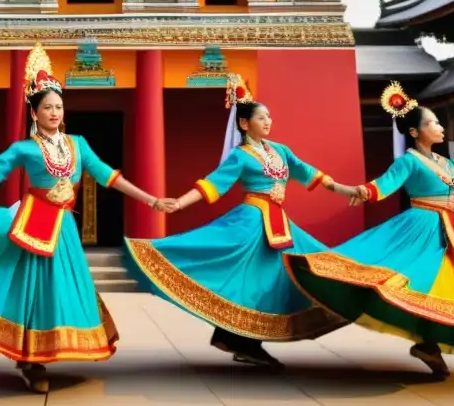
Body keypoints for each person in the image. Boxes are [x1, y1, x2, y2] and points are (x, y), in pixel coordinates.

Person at [0, 43, 170, 394]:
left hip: (63, 232)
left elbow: (110, 177)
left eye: (59, 107)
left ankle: (51, 351)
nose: (54, 112)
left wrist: (151, 200)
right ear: (34, 113)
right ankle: (31, 361)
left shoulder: (79, 144)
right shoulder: (24, 149)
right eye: (47, 107)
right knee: (33, 293)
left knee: (61, 290)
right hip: (32, 226)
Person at [283, 81, 454, 378]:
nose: (440, 127)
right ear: (414, 132)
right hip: (418, 228)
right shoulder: (409, 161)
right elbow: (383, 186)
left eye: (438, 122)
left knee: (448, 288)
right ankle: (427, 344)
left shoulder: (449, 165)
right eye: (433, 122)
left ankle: (428, 344)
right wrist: (360, 191)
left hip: (445, 234)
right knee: (416, 283)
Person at [124, 74, 364, 371]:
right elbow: (213, 184)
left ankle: (236, 339)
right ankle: (243, 341)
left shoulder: (282, 152)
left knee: (300, 269)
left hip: (279, 225)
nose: (268, 122)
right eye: (262, 117)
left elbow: (312, 175)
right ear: (244, 124)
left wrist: (348, 190)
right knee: (249, 281)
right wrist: (179, 202)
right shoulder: (240, 156)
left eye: (269, 117)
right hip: (250, 223)